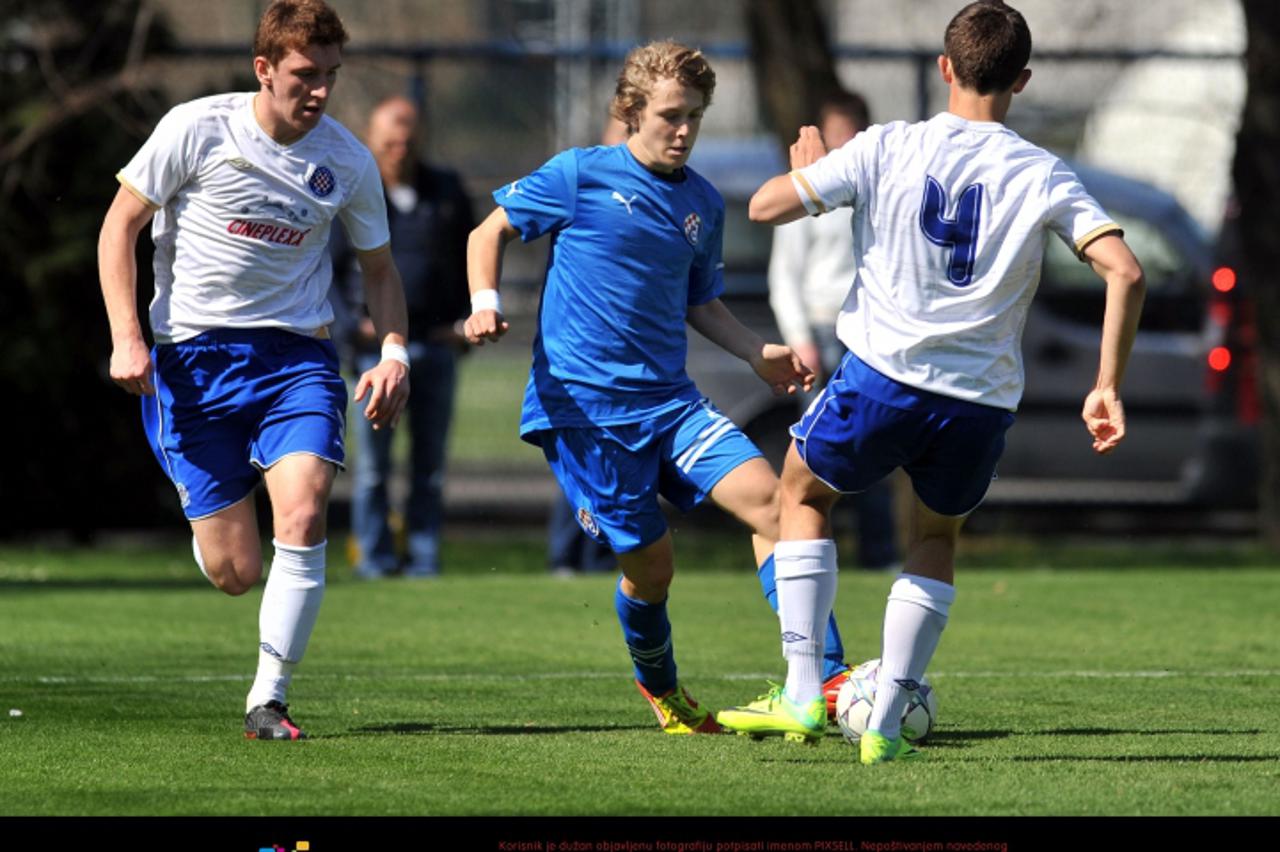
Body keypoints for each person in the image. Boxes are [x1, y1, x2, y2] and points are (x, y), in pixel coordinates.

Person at [717, 0, 1145, 763]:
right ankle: (885, 722)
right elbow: (1126, 270)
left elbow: (764, 205)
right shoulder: (1044, 171)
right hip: (978, 403)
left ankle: (803, 691)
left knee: (801, 495)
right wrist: (1106, 382)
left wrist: (811, 169)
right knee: (934, 537)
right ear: (1022, 78)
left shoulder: (888, 147)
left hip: (884, 377)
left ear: (944, 68)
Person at [465, 40, 833, 735]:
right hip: (586, 415)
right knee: (653, 572)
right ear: (632, 111)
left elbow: (700, 302)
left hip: (673, 403)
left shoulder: (701, 202)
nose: (685, 130)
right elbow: (490, 230)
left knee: (780, 508)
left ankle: (824, 681)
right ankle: (661, 686)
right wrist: (484, 300)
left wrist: (757, 351)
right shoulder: (579, 174)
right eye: (671, 115)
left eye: (695, 116)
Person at [97, 0, 409, 740]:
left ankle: (267, 700)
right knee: (235, 570)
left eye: (332, 75)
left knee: (303, 512)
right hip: (191, 366)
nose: (321, 91)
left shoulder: (347, 160)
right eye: (306, 74)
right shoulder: (194, 128)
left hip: (296, 358)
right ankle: (211, 522)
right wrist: (125, 336)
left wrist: (393, 352)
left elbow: (382, 271)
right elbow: (119, 227)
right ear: (263, 68)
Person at [329, 95, 475, 579]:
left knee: (429, 468)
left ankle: (423, 559)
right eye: (390, 138)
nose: (400, 146)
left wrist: (465, 323)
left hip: (435, 346)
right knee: (372, 470)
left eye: (409, 137)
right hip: (374, 355)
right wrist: (353, 328)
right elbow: (327, 273)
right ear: (373, 139)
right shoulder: (351, 189)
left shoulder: (447, 192)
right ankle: (373, 558)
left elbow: (469, 259)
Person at [767, 89, 899, 572]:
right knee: (817, 454)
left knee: (875, 447)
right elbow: (785, 275)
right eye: (834, 133)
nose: (842, 143)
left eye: (850, 132)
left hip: (868, 333)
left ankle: (878, 553)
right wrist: (799, 337)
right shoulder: (808, 188)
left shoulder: (878, 188)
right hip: (820, 331)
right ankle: (805, 552)